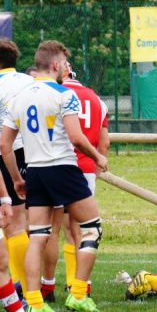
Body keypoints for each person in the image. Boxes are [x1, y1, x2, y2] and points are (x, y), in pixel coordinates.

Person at [1, 40, 107, 312]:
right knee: (92, 227)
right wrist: (98, 157)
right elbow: (76, 137)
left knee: (37, 236)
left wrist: (16, 178)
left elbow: (4, 145)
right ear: (56, 65)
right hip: (63, 168)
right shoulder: (63, 94)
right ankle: (79, 293)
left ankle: (35, 303)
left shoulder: (19, 98)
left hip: (34, 172)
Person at [41, 62, 110, 301]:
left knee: (51, 229)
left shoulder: (53, 95)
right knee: (82, 230)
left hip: (57, 164)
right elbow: (104, 144)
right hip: (87, 168)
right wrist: (98, 164)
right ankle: (79, 285)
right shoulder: (97, 100)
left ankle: (46, 286)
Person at [0, 40, 31, 312]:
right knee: (32, 223)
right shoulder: (27, 81)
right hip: (32, 152)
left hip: (6, 153)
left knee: (14, 225)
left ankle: (19, 284)